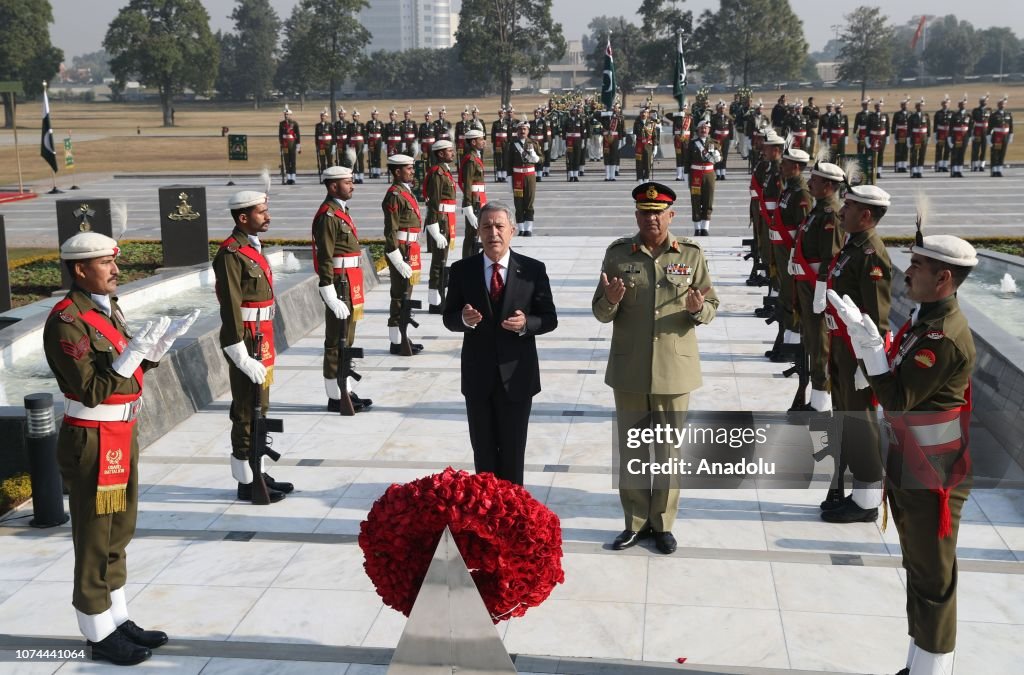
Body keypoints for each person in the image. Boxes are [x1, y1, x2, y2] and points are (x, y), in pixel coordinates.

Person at [828, 232, 977, 675]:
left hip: (932, 474)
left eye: (917, 265)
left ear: (943, 277)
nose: (906, 271)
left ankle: (933, 669)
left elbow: (896, 398)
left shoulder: (943, 337)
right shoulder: (925, 320)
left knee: (933, 579)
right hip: (913, 461)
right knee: (918, 568)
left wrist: (870, 350)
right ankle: (918, 663)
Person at [44, 233, 196, 665]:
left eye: (114, 262)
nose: (115, 270)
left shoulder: (106, 308)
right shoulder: (67, 319)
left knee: (119, 531)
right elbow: (90, 388)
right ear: (79, 269)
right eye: (105, 263)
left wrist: (153, 350)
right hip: (91, 438)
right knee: (94, 536)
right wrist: (132, 355)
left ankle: (117, 617)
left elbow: (124, 371)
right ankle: (96, 631)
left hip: (119, 434)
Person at [593, 182, 719, 555]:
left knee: (667, 452)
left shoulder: (691, 254)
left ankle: (662, 524)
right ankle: (634, 522)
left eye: (658, 212)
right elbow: (601, 312)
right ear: (636, 216)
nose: (651, 218)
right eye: (644, 212)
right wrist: (611, 300)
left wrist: (698, 309)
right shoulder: (618, 254)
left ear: (671, 215)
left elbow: (711, 304)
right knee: (632, 449)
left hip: (674, 371)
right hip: (630, 368)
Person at [442, 201, 558, 485]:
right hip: (478, 377)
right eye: (486, 227)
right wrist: (465, 319)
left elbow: (549, 318)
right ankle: (487, 514)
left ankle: (512, 514)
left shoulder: (532, 270)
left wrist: (526, 325)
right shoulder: (462, 270)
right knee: (483, 453)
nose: (493, 233)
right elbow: (449, 317)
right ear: (478, 232)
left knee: (513, 452)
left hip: (517, 377)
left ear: (512, 231)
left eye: (499, 226)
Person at [214, 191, 295, 502]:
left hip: (261, 335)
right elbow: (231, 306)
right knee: (247, 410)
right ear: (243, 218)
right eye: (261, 212)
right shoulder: (232, 253)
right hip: (246, 338)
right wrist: (238, 352)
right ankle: (246, 481)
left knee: (260, 407)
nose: (268, 216)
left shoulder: (250, 248)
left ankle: (257, 470)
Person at [821, 184, 892, 520]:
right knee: (847, 418)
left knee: (862, 423)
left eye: (847, 207)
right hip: (842, 348)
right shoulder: (854, 246)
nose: (841, 211)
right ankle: (851, 487)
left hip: (856, 354)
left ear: (865, 215)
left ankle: (866, 502)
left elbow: (876, 318)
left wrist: (869, 365)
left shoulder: (871, 254)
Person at [312, 165, 372, 413]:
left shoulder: (341, 212)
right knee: (336, 340)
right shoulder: (328, 215)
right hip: (340, 283)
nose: (352, 185)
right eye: (347, 182)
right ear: (333, 185)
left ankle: (344, 389)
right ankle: (335, 396)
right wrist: (328, 290)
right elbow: (324, 257)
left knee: (347, 338)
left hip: (350, 281)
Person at [791, 153, 845, 411]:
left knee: (821, 344)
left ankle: (822, 402)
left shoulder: (831, 215)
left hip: (816, 286)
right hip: (807, 284)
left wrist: (821, 289)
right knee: (812, 340)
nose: (809, 182)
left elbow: (831, 258)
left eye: (814, 179)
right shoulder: (818, 209)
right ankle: (816, 396)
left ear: (828, 186)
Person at [383, 154, 425, 355]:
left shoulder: (405, 192)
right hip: (401, 250)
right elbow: (390, 231)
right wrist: (397, 259)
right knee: (399, 297)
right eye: (408, 168)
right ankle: (396, 342)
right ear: (397, 172)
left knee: (406, 296)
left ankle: (403, 336)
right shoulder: (395, 195)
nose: (412, 171)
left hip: (410, 249)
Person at [423, 139, 458, 312]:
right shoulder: (437, 173)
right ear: (440, 154)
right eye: (449, 151)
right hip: (440, 219)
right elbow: (434, 202)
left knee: (442, 260)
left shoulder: (445, 171)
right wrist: (435, 230)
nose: (452, 153)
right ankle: (435, 301)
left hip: (446, 218)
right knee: (438, 262)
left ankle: (438, 298)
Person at [686, 120, 720, 237]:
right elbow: (687, 160)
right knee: (695, 200)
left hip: (709, 174)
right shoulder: (692, 143)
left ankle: (705, 227)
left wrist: (717, 156)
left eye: (706, 128)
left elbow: (718, 160)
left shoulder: (715, 143)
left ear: (709, 130)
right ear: (698, 130)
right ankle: (697, 228)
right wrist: (686, 175)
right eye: (701, 128)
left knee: (708, 200)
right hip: (695, 174)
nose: (704, 130)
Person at [508, 120, 542, 236]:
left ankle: (529, 228)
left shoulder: (533, 143)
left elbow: (541, 159)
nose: (522, 131)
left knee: (529, 202)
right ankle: (521, 228)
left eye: (524, 129)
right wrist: (509, 178)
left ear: (528, 130)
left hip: (529, 177)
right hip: (517, 176)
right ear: (517, 131)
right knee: (518, 203)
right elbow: (508, 162)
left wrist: (534, 156)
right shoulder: (512, 144)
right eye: (520, 129)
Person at [459, 129, 488, 258]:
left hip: (479, 199)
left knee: (475, 234)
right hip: (474, 200)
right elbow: (467, 185)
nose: (483, 142)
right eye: (481, 139)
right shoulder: (471, 160)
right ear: (473, 142)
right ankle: (467, 262)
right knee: (471, 235)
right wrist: (468, 207)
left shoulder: (476, 157)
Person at [988, 95, 1013, 177]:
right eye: (1000, 104)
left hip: (1005, 137)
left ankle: (999, 171)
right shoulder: (994, 115)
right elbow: (989, 129)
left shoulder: (1008, 114)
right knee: (995, 154)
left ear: (1005, 105)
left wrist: (1010, 137)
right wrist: (989, 140)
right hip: (997, 137)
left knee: (1002, 154)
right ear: (998, 105)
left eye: (1003, 104)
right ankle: (994, 171)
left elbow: (1011, 127)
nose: (1002, 105)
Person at [908, 98, 931, 179]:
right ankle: (913, 171)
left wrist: (929, 136)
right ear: (915, 107)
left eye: (920, 106)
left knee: (922, 154)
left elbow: (928, 127)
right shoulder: (912, 116)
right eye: (917, 106)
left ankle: (920, 171)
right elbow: (909, 128)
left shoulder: (926, 115)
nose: (919, 107)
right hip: (915, 137)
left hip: (923, 137)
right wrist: (908, 139)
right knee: (914, 154)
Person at [948, 96, 971, 178]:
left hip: (964, 136)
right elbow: (951, 127)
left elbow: (970, 127)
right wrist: (949, 138)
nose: (962, 106)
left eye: (964, 104)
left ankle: (959, 171)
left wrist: (969, 137)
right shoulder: (954, 115)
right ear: (959, 106)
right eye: (961, 105)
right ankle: (954, 171)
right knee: (955, 154)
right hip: (956, 136)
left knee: (962, 154)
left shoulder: (968, 115)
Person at [710, 100, 733, 180]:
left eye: (723, 108)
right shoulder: (714, 118)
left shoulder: (728, 118)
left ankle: (723, 173)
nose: (722, 110)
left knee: (724, 155)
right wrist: (711, 140)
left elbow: (731, 129)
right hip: (716, 138)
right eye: (721, 108)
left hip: (726, 138)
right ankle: (718, 174)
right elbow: (712, 130)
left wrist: (731, 139)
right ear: (718, 109)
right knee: (717, 155)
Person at [633, 106, 656, 182]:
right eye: (642, 113)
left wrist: (655, 147)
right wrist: (634, 139)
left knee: (647, 163)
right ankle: (640, 179)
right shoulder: (637, 123)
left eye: (645, 112)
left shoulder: (651, 123)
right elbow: (635, 133)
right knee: (639, 163)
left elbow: (654, 136)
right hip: (639, 145)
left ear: (648, 114)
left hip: (648, 146)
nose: (643, 114)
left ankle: (646, 179)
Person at [278, 107, 300, 185]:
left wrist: (298, 145)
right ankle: (288, 178)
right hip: (285, 145)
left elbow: (298, 135)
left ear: (290, 115)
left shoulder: (294, 123)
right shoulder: (281, 124)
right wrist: (280, 145)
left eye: (287, 114)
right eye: (285, 114)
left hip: (292, 144)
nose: (286, 116)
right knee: (286, 161)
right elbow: (280, 135)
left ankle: (293, 178)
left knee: (293, 161)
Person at [969, 93, 991, 172]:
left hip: (985, 131)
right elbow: (972, 122)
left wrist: (991, 132)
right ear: (980, 102)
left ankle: (982, 165)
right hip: (977, 131)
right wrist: (971, 133)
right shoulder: (975, 110)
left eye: (985, 101)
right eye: (982, 101)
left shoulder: (989, 110)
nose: (984, 102)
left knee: (984, 148)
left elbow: (991, 122)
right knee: (976, 148)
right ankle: (974, 165)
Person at [933, 95, 953, 172]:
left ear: (949, 104)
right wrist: (935, 135)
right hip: (940, 133)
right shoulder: (938, 113)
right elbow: (935, 125)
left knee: (947, 150)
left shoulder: (952, 113)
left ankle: (945, 166)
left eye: (947, 103)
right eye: (944, 103)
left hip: (948, 133)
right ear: (942, 104)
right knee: (939, 150)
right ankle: (939, 166)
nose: (945, 105)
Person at [891, 97, 911, 173]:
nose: (904, 106)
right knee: (899, 151)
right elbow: (894, 126)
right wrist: (893, 136)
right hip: (899, 134)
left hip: (907, 135)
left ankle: (904, 166)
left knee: (905, 151)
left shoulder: (910, 113)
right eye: (902, 105)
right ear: (901, 106)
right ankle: (898, 167)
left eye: (905, 104)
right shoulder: (897, 114)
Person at [491, 107, 510, 182]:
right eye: (500, 113)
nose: (501, 114)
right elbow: (493, 134)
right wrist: (493, 143)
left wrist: (509, 142)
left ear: (504, 114)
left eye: (502, 113)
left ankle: (504, 176)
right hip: (497, 143)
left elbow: (509, 133)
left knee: (505, 159)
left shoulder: (507, 123)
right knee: (498, 159)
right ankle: (499, 176)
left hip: (505, 143)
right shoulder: (495, 123)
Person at [347, 109, 366, 183]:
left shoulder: (362, 125)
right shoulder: (350, 125)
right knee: (353, 160)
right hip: (352, 143)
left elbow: (365, 135)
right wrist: (347, 144)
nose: (354, 117)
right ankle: (355, 177)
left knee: (360, 160)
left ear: (358, 116)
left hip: (360, 143)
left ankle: (361, 177)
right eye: (353, 116)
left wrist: (366, 144)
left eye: (356, 116)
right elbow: (348, 135)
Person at [314, 109, 335, 175]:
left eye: (324, 116)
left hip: (329, 145)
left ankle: (330, 173)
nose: (322, 117)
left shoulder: (330, 125)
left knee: (329, 160)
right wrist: (317, 145)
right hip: (321, 145)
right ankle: (323, 174)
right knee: (322, 160)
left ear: (326, 117)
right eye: (321, 116)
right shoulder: (318, 125)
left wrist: (334, 145)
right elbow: (316, 136)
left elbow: (333, 135)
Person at [366, 108, 385, 179]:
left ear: (377, 115)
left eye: (375, 114)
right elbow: (366, 133)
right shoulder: (369, 123)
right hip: (371, 141)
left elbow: (383, 133)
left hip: (378, 140)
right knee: (372, 156)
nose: (374, 116)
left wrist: (383, 142)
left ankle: (378, 172)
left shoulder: (380, 123)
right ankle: (373, 172)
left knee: (378, 156)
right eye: (373, 114)